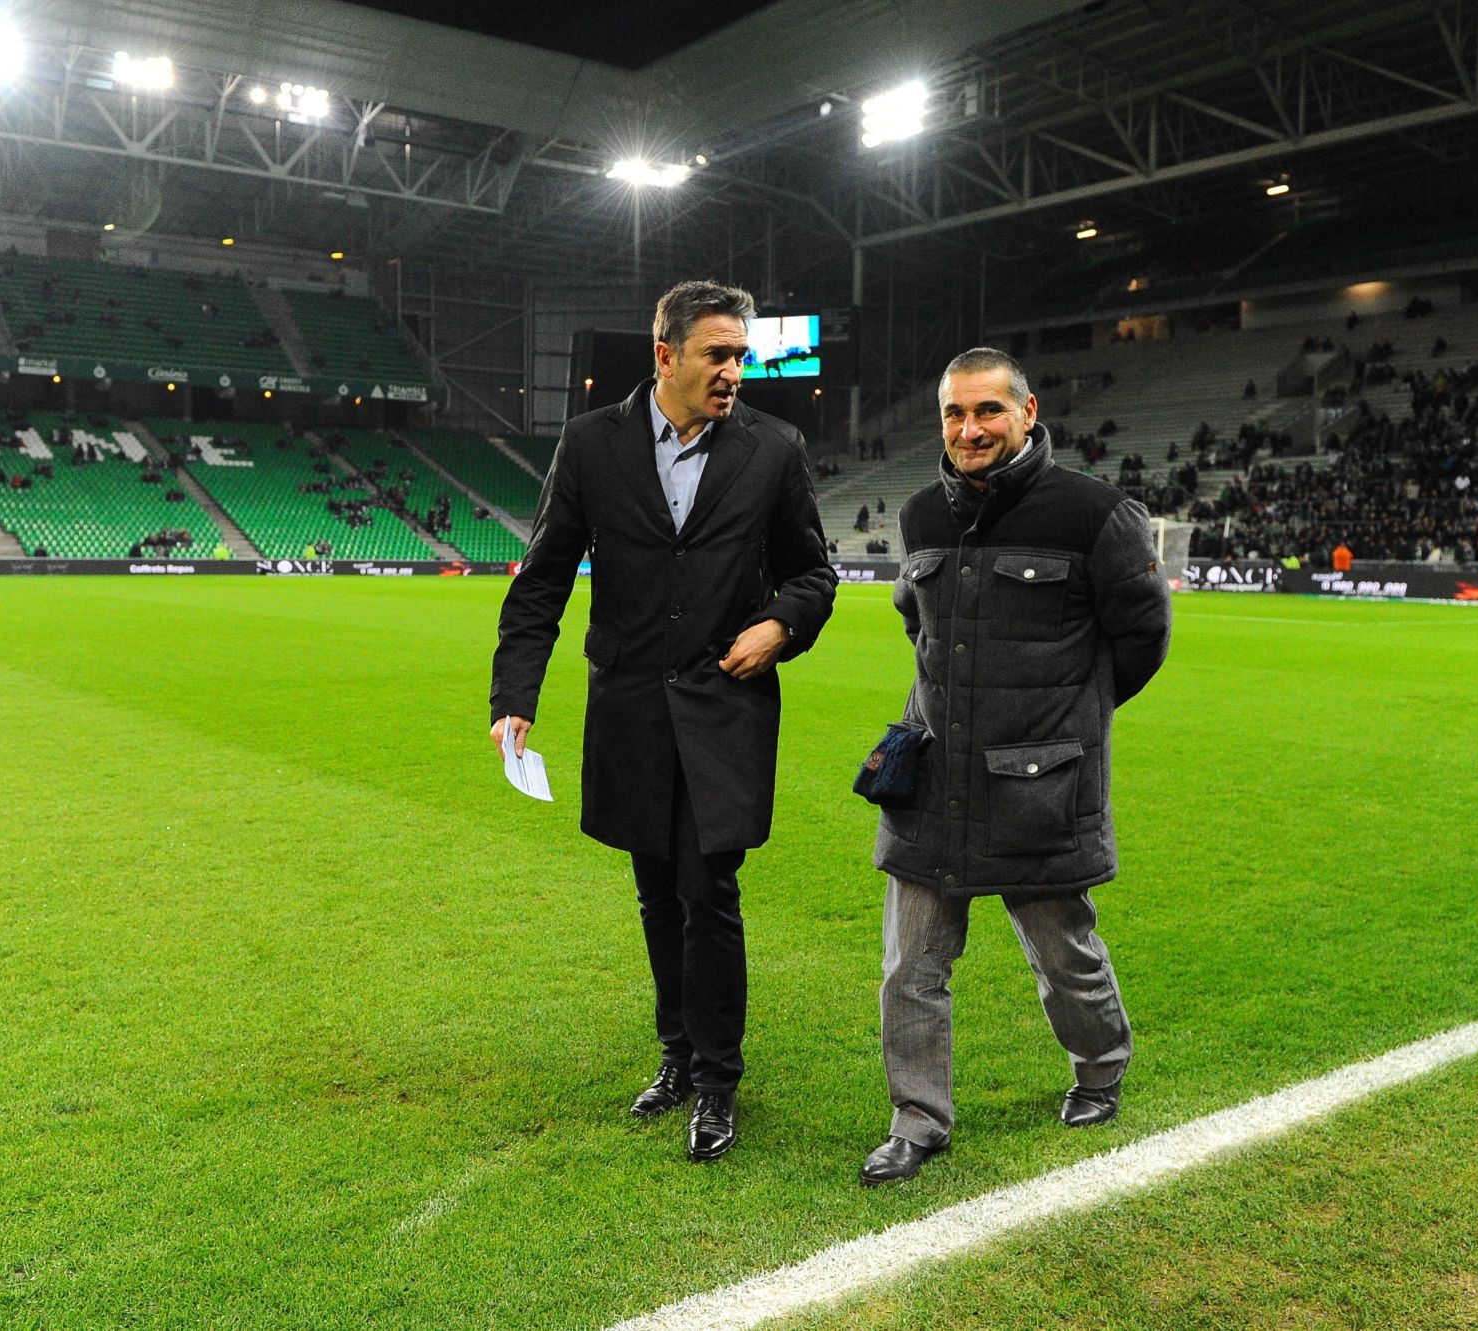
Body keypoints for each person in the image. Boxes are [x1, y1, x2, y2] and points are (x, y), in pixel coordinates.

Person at [489, 280, 837, 1163]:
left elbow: (813, 573)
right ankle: (677, 1053)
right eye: (717, 353)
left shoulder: (775, 448)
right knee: (655, 890)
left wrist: (781, 625)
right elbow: (542, 579)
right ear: (665, 356)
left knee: (707, 889)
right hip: (632, 707)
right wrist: (514, 699)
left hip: (725, 707)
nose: (734, 370)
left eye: (740, 354)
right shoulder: (590, 444)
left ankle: (718, 1079)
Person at [860, 347, 1171, 1185]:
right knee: (911, 964)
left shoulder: (1097, 514)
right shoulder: (922, 514)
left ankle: (1101, 1065)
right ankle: (918, 1118)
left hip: (1038, 783)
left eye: (988, 411)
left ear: (1028, 413)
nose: (970, 429)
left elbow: (1142, 640)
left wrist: (1063, 721)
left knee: (1061, 950)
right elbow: (916, 624)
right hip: (932, 774)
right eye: (956, 414)